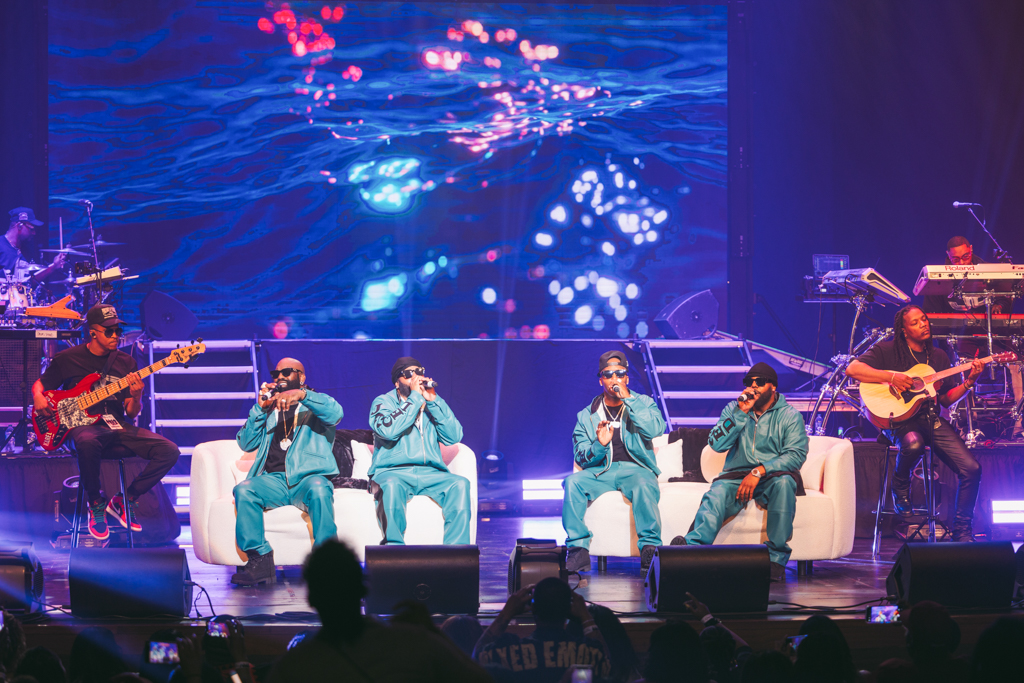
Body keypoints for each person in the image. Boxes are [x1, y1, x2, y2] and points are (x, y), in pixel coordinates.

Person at [33, 303, 180, 541]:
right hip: (82, 427)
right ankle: (96, 504)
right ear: (93, 332)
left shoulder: (126, 363)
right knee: (88, 441)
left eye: (118, 331)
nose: (115, 336)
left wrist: (136, 395)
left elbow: (131, 413)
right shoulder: (68, 358)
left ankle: (125, 499)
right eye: (109, 331)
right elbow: (41, 384)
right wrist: (38, 396)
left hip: (115, 425)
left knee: (170, 450)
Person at [845, 305, 983, 541]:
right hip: (898, 421)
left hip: (930, 418)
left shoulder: (938, 356)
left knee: (972, 469)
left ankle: (962, 530)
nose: (923, 324)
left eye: (924, 319)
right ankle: (900, 483)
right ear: (904, 329)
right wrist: (891, 377)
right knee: (913, 443)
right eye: (915, 322)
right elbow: (853, 368)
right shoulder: (887, 349)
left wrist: (969, 382)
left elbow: (945, 399)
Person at [268, 539, 491, 683]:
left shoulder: (294, 667)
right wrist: (432, 632)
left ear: (311, 599)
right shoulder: (411, 642)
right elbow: (481, 679)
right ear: (364, 589)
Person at [670, 362, 808, 582]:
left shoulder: (790, 415)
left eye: (759, 382)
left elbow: (795, 455)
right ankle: (690, 551)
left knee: (785, 484)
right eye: (748, 382)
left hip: (772, 475)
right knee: (716, 494)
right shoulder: (733, 409)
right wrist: (739, 414)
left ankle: (775, 560)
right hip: (735, 476)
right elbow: (716, 444)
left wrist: (759, 471)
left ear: (773, 386)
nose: (753, 386)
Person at [231, 358, 343, 585]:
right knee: (244, 490)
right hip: (275, 480)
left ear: (301, 377)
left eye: (287, 372)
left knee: (320, 489)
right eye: (276, 373)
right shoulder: (270, 409)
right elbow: (246, 443)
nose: (280, 376)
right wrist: (259, 408)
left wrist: (302, 395)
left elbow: (335, 414)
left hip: (308, 478)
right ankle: (260, 559)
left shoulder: (314, 404)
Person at [563, 350, 666, 574]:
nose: (614, 379)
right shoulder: (587, 415)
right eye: (608, 374)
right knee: (572, 482)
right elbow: (580, 455)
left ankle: (650, 549)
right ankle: (578, 550)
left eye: (619, 374)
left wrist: (629, 399)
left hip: (636, 469)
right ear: (600, 380)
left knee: (644, 484)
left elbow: (655, 429)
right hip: (603, 470)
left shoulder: (643, 403)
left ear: (626, 378)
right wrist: (599, 445)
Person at [921, 235, 1022, 441]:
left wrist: (999, 306)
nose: (961, 263)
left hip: (992, 332)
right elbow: (931, 316)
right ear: (948, 257)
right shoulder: (940, 277)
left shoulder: (989, 271)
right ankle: (965, 422)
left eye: (965, 257)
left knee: (1017, 361)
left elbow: (1006, 294)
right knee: (958, 363)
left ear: (971, 250)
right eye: (955, 259)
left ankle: (1019, 424)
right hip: (959, 336)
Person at [367, 357, 470, 545]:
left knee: (460, 484)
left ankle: (457, 553)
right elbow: (388, 431)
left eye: (419, 372)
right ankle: (394, 550)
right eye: (409, 374)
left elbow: (454, 436)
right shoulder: (383, 401)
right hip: (392, 472)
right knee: (391, 485)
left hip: (430, 472)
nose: (416, 378)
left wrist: (434, 401)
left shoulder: (430, 405)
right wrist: (414, 398)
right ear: (397, 382)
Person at [474, 577, 611, 682]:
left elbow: (476, 658)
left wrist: (506, 613)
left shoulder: (507, 651)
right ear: (569, 610)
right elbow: (606, 664)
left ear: (533, 608)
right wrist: (585, 616)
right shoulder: (588, 653)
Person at [1, 207, 66, 280]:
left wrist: (53, 266)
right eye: (31, 229)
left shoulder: (26, 251)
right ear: (19, 226)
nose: (34, 233)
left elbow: (29, 282)